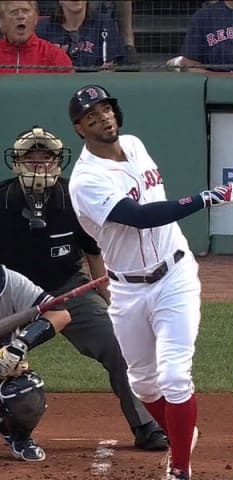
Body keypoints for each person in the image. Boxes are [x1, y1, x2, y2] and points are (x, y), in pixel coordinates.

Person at [66, 85, 233, 480]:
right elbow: (138, 217)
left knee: (173, 375)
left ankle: (180, 474)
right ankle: (182, 433)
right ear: (80, 129)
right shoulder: (86, 180)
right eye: (92, 117)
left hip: (175, 275)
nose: (104, 119)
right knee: (143, 382)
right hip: (129, 289)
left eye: (106, 110)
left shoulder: (134, 144)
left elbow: (155, 210)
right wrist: (205, 198)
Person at [0, 127, 168, 451]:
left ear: (56, 162)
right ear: (17, 161)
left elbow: (93, 252)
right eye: (30, 158)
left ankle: (147, 425)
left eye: (45, 158)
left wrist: (109, 295)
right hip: (13, 297)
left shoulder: (73, 199)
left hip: (67, 289)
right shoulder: (2, 201)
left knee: (119, 342)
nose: (38, 165)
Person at [0, 266, 71, 461]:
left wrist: (19, 346)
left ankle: (17, 435)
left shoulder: (11, 282)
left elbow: (60, 314)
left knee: (25, 389)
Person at [0, 0, 73, 74]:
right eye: (13, 12)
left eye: (26, 11)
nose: (20, 16)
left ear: (35, 19)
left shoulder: (56, 56)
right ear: (1, 22)